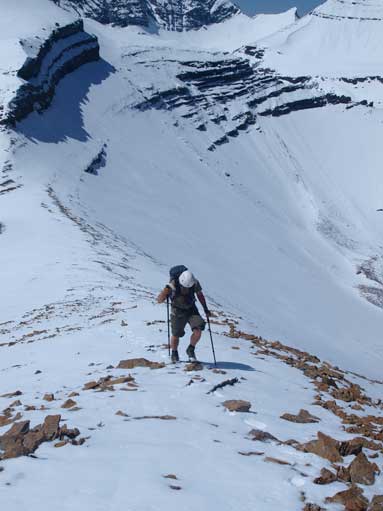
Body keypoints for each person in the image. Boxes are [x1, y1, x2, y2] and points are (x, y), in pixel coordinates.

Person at [157, 269, 211, 363]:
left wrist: (206, 309)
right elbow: (159, 300)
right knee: (176, 334)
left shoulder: (194, 282)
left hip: (191, 309)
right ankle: (174, 352)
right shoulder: (173, 284)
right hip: (177, 311)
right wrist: (165, 291)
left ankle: (190, 349)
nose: (186, 289)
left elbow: (200, 295)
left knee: (198, 328)